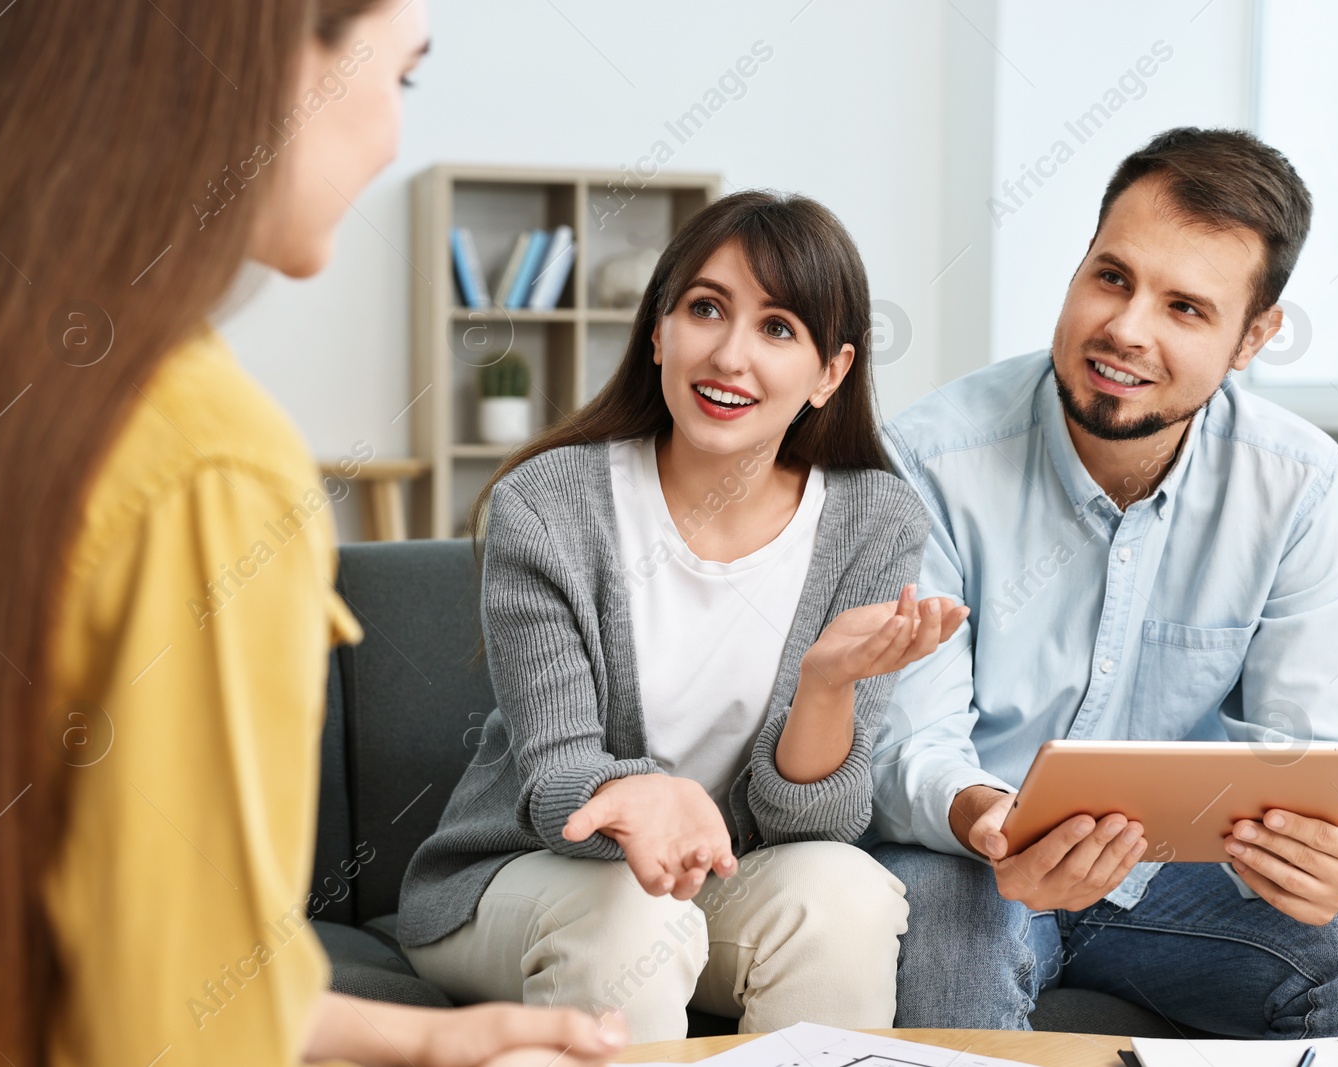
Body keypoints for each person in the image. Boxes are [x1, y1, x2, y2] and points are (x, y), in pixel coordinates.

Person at [0, 2, 623, 1065]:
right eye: (402, 77)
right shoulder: (209, 462)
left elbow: (102, 956)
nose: (394, 133)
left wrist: (418, 1045)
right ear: (276, 59)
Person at [869, 128, 1338, 1065]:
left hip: (1185, 878)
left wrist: (1333, 842)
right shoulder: (928, 459)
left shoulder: (1298, 485)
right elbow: (905, 738)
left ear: (1252, 337)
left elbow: (1313, 742)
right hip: (977, 867)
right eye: (1112, 278)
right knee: (948, 930)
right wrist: (984, 814)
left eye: (1186, 307)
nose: (1127, 329)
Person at [398, 190, 966, 1043]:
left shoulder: (874, 519)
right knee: (634, 915)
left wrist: (825, 685)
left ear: (831, 372)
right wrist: (644, 792)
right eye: (706, 309)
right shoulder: (549, 505)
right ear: (659, 330)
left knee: (844, 891)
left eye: (779, 328)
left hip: (726, 874)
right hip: (531, 878)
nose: (730, 355)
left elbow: (815, 826)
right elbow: (561, 790)